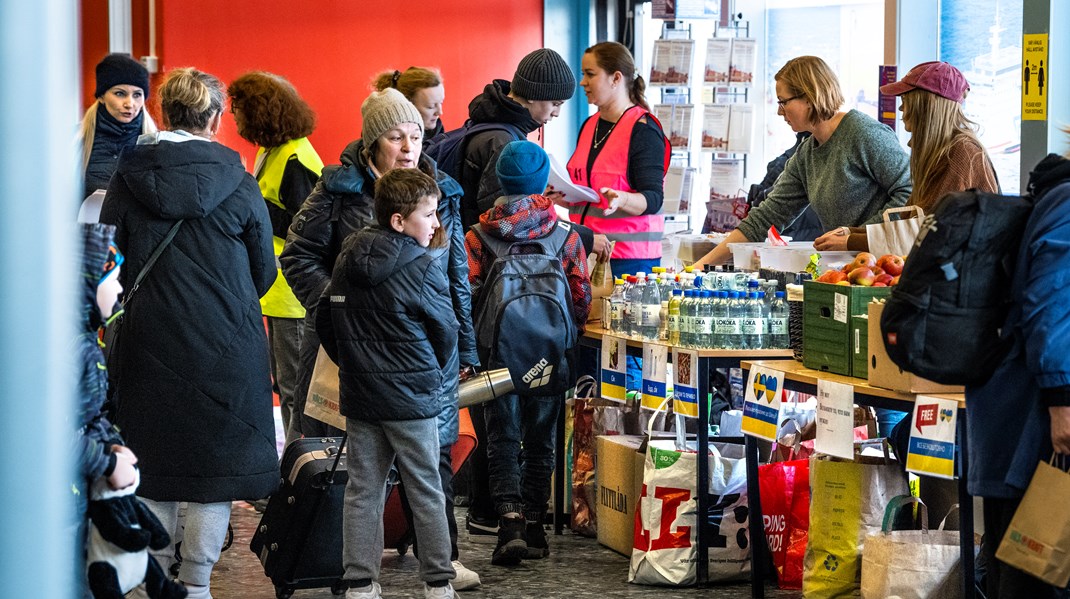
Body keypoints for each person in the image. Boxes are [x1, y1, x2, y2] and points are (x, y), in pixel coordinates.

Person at [280, 87, 481, 589]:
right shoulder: (337, 189)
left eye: (416, 135)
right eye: (396, 136)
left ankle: (429, 567)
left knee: (424, 472)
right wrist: (350, 314)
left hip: (403, 368)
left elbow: (456, 279)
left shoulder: (443, 191)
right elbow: (298, 257)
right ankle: (356, 572)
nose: (410, 145)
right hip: (354, 363)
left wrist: (463, 354)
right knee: (354, 474)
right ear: (372, 144)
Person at [100, 67, 278, 599]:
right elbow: (264, 272)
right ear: (218, 119)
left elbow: (108, 262)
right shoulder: (241, 185)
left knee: (151, 460)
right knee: (212, 470)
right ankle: (197, 583)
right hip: (229, 344)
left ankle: (152, 575)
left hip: (148, 340)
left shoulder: (128, 180)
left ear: (167, 114)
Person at [317, 168, 459, 599]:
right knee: (426, 488)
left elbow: (327, 319)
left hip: (361, 394)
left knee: (362, 489)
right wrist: (430, 374)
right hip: (412, 398)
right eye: (429, 215)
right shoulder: (422, 265)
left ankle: (359, 581)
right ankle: (437, 583)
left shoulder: (347, 256)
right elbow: (446, 331)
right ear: (398, 221)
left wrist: (355, 363)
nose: (435, 224)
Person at [464, 140, 591, 565]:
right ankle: (536, 528)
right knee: (541, 441)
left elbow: (468, 296)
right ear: (542, 183)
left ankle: (510, 524)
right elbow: (581, 299)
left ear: (501, 181)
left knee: (501, 439)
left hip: (497, 358)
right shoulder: (566, 237)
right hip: (551, 356)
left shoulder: (479, 236)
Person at [965, 136, 1070, 599]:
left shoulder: (1052, 194)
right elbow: (1050, 302)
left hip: (1023, 406)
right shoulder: (1067, 201)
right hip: (1033, 413)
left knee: (1031, 557)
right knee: (1034, 563)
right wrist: (1061, 398)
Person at [691, 55, 912, 269]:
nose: (779, 111)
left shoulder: (864, 133)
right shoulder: (807, 153)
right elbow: (766, 217)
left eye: (783, 102)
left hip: (888, 268)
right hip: (851, 268)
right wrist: (701, 266)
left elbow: (911, 190)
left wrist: (855, 237)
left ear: (809, 97)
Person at [227, 71, 324, 448]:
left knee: (295, 388)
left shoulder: (296, 157)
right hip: (276, 289)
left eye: (238, 110)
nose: (234, 119)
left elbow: (306, 227)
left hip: (293, 295)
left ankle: (301, 468)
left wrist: (254, 206)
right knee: (283, 384)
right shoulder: (273, 150)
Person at [814, 61, 998, 252]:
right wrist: (850, 233)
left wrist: (851, 242)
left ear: (925, 104)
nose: (901, 109)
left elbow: (927, 233)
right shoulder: (943, 151)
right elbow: (909, 224)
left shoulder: (960, 154)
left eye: (905, 100)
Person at [556, 41, 670, 277]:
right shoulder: (590, 126)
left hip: (630, 262)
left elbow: (653, 198)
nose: (582, 82)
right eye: (583, 74)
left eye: (590, 74)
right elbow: (591, 195)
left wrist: (623, 199)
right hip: (587, 252)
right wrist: (563, 197)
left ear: (616, 78)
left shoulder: (644, 130)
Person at [72, 223, 138, 598]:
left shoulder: (84, 342)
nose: (118, 289)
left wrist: (112, 445)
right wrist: (108, 464)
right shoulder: (65, 350)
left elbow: (91, 415)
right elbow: (49, 434)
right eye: (109, 279)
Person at [79, 53, 158, 199]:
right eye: (120, 93)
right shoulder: (76, 140)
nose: (129, 104)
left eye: (137, 95)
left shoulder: (156, 143)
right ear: (102, 96)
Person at [372, 67, 447, 147]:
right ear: (407, 106)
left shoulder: (438, 133)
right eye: (430, 106)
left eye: (441, 103)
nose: (440, 112)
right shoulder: (380, 141)